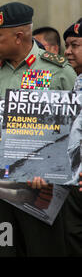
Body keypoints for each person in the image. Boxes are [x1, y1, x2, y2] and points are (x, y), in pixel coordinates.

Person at [0, 1, 76, 256]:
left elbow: (75, 132)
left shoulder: (58, 71)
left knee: (42, 250)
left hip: (41, 188)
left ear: (19, 36)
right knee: (5, 249)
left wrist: (50, 169)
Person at [61, 17, 82, 256]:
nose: (67, 52)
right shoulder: (77, 83)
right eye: (66, 45)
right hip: (72, 185)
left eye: (74, 45)